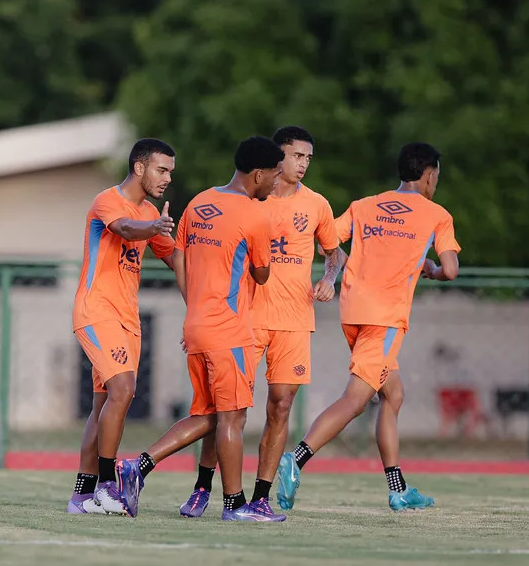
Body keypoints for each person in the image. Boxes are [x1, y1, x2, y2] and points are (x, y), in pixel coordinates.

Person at [170, 126, 347, 518]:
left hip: (294, 320)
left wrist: (328, 278)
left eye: (308, 158)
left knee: (280, 406)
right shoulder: (250, 199)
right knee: (226, 410)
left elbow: (335, 253)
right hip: (243, 320)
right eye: (297, 156)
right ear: (275, 158)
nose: (303, 165)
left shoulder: (317, 205)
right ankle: (203, 487)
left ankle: (260, 497)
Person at [275, 142, 460, 512]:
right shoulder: (437, 214)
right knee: (356, 401)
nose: (435, 183)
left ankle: (398, 487)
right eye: (435, 177)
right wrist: (432, 270)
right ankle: (294, 459)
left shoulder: (365, 205)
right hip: (386, 319)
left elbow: (329, 238)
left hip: (353, 313)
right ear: (427, 175)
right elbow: (451, 270)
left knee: (392, 395)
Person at [118, 136, 287, 522]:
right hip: (229, 329)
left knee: (208, 415)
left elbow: (180, 257)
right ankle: (235, 506)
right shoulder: (256, 215)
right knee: (232, 418)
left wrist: (195, 306)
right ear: (258, 174)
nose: (276, 183)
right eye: (275, 176)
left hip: (196, 325)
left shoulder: (199, 202)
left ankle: (138, 467)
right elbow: (262, 275)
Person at [67, 138, 179, 516]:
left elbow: (176, 258)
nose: (166, 178)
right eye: (161, 170)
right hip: (96, 311)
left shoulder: (151, 213)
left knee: (104, 405)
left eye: (170, 172)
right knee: (123, 389)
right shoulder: (108, 200)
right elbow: (128, 229)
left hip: (127, 320)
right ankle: (108, 486)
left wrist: (199, 305)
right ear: (139, 167)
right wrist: (154, 226)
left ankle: (81, 497)